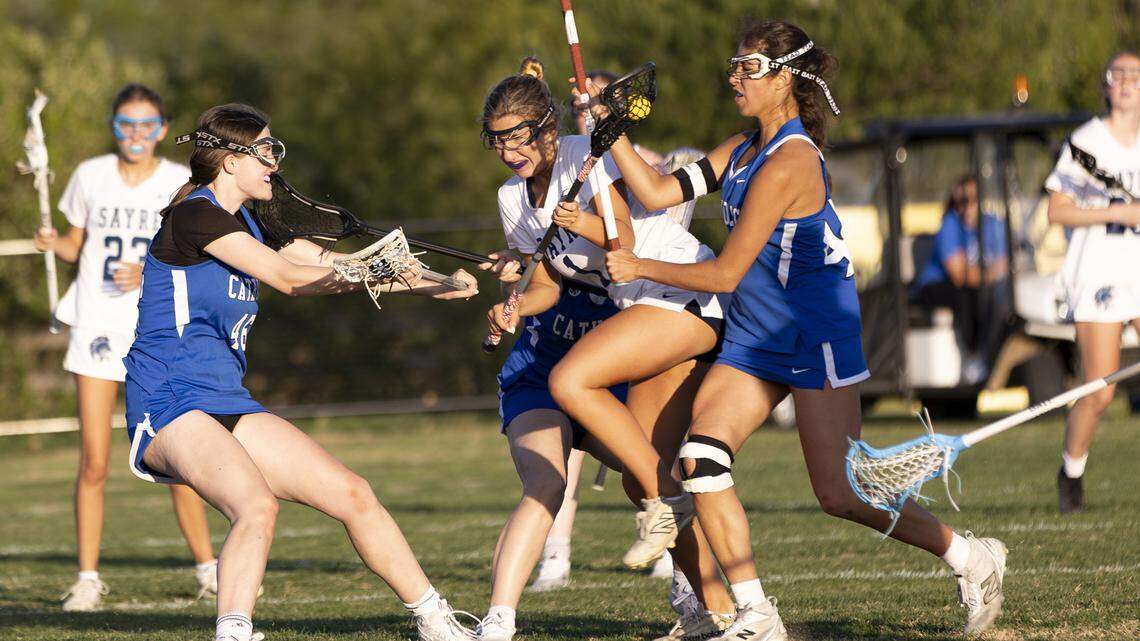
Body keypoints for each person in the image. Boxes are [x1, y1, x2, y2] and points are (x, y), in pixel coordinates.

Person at [603, 20, 1008, 638]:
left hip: (815, 336)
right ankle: (757, 616)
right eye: (734, 65)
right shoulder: (740, 149)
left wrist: (637, 266)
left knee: (842, 495)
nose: (736, 77)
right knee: (701, 459)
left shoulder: (790, 160)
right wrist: (613, 135)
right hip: (757, 339)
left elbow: (726, 271)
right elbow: (658, 192)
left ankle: (970, 557)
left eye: (751, 68)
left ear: (786, 77)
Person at [122, 103, 479, 641]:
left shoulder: (255, 219)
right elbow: (290, 279)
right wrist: (374, 272)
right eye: (264, 150)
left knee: (353, 493)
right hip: (168, 398)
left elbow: (326, 264)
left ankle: (437, 622)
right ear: (228, 161)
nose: (273, 162)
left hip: (223, 398)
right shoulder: (194, 217)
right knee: (255, 507)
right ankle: (234, 633)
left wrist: (438, 284)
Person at [480, 58, 734, 641]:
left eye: (519, 135)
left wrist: (582, 218)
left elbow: (622, 235)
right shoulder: (511, 199)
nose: (509, 150)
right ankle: (722, 612)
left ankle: (670, 498)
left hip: (678, 288)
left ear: (546, 128)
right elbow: (546, 282)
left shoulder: (581, 151)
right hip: (641, 308)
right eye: (498, 140)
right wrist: (516, 306)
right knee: (637, 474)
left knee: (572, 383)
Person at [32, 84, 218, 611]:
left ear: (161, 128)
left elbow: (198, 250)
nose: (135, 134)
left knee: (180, 455)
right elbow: (76, 244)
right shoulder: (89, 176)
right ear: (114, 127)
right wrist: (55, 243)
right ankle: (88, 578)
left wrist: (150, 270)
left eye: (145, 125)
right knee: (94, 460)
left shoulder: (178, 183)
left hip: (154, 329)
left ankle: (208, 568)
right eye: (124, 125)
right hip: (94, 323)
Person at [1046, 49, 1140, 514]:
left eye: (1134, 76)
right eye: (1117, 75)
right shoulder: (1086, 141)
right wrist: (1116, 211)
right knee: (1100, 390)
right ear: (1106, 86)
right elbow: (1055, 209)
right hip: (1099, 271)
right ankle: (1072, 470)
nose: (1125, 83)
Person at [911, 175, 1009, 383]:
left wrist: (992, 273)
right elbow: (960, 275)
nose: (966, 206)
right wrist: (994, 271)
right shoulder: (950, 225)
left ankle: (996, 355)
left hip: (978, 286)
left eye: (972, 199)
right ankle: (973, 357)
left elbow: (1009, 263)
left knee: (1000, 295)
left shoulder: (993, 223)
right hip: (935, 286)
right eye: (961, 201)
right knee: (965, 293)